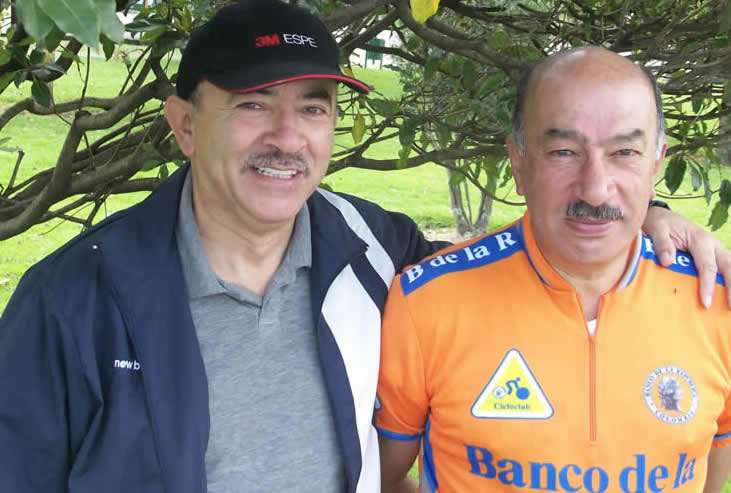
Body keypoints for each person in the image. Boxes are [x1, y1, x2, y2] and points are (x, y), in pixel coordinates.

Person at [0, 1, 727, 491]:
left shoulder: (377, 250)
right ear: (186, 125)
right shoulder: (71, 301)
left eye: (313, 109)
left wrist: (647, 217)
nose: (287, 138)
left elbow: (528, 253)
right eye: (253, 105)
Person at [376, 46, 731, 493]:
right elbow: (381, 478)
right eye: (564, 152)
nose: (595, 190)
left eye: (624, 151)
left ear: (656, 163)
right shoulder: (427, 302)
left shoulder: (716, 302)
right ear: (519, 162)